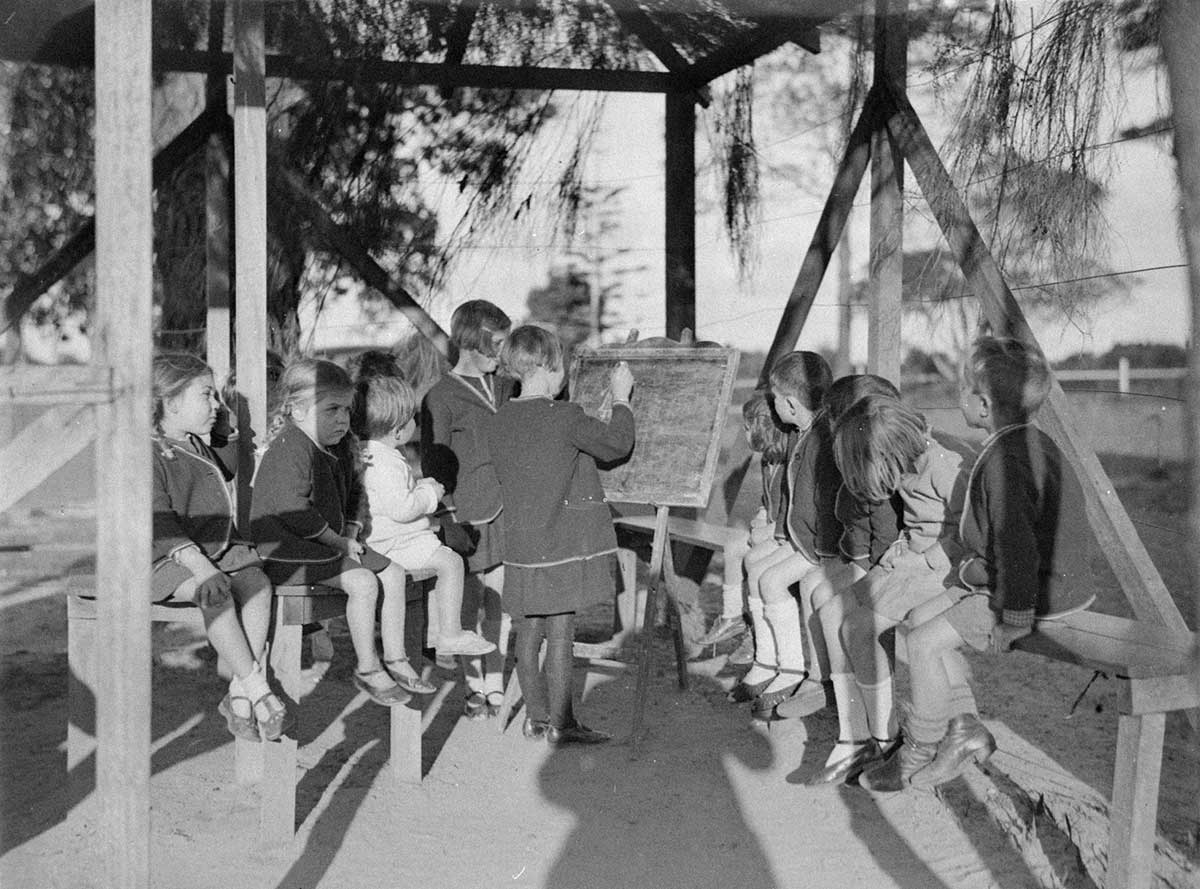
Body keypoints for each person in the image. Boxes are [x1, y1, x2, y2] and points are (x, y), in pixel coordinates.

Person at [894, 335, 1095, 791]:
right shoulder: (1029, 441)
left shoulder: (1005, 462)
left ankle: (924, 744)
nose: (957, 395)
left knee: (924, 643)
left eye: (962, 388)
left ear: (983, 405)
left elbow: (1017, 547)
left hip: (1036, 594)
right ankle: (964, 725)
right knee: (917, 619)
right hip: (1042, 582)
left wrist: (1014, 618)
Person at [485, 325, 635, 745]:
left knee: (528, 633)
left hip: (521, 546)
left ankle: (535, 718)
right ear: (552, 368)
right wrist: (621, 398)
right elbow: (616, 445)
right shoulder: (566, 417)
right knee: (561, 634)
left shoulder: (499, 421)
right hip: (561, 546)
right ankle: (562, 723)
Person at [251, 359, 414, 708]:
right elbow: (292, 510)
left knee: (395, 573)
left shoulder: (337, 446)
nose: (343, 418)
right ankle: (368, 667)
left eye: (346, 409)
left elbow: (355, 491)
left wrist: (351, 530)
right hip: (284, 549)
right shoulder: (290, 447)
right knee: (364, 583)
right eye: (332, 410)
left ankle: (396, 658)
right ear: (296, 410)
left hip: (326, 543)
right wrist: (340, 542)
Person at [150, 352, 292, 741]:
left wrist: (225, 421)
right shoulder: (150, 452)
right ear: (171, 401)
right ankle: (258, 688)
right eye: (207, 396)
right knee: (215, 594)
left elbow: (225, 465)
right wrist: (202, 569)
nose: (215, 405)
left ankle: (238, 695)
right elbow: (157, 520)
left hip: (213, 551)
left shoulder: (195, 442)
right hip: (166, 558)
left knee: (256, 583)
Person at [831, 395, 969, 792]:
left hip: (942, 567)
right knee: (851, 625)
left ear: (886, 455)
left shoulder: (944, 467)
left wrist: (927, 556)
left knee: (864, 626)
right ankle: (882, 733)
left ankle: (895, 740)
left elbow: (972, 529)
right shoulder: (909, 464)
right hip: (913, 559)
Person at [788, 375, 905, 780]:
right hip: (873, 561)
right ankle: (850, 724)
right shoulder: (856, 459)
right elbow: (856, 530)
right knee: (826, 600)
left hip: (896, 566)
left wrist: (860, 577)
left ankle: (872, 735)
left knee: (839, 612)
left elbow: (886, 536)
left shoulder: (879, 463)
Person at [355, 373, 495, 695]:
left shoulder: (369, 454)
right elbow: (403, 509)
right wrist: (430, 492)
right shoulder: (387, 462)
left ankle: (437, 632)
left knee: (438, 566)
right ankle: (449, 632)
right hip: (397, 542)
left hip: (382, 540)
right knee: (450, 563)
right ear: (399, 428)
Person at [730, 351, 842, 721]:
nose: (774, 405)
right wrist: (779, 534)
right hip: (799, 537)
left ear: (791, 404)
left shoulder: (822, 440)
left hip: (820, 546)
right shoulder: (800, 433)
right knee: (754, 564)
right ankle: (767, 659)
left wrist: (807, 547)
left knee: (773, 578)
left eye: (776, 399)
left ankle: (791, 668)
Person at [421, 300, 515, 718]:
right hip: (466, 517)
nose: (502, 354)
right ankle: (473, 686)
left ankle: (495, 685)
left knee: (501, 600)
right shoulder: (440, 397)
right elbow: (434, 465)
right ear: (471, 344)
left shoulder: (506, 385)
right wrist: (448, 517)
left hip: (507, 509)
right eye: (496, 346)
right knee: (466, 603)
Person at [701, 390, 789, 660]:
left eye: (749, 428)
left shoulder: (787, 462)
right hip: (772, 530)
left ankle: (757, 637)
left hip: (787, 535)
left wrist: (770, 526)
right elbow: (769, 502)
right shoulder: (768, 461)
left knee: (754, 559)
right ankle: (732, 616)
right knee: (733, 544)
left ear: (764, 428)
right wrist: (763, 515)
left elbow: (792, 507)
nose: (745, 433)